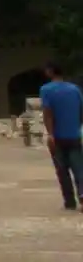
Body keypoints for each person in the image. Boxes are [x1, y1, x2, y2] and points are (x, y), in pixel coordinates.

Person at [40, 60, 83, 210]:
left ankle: (69, 201)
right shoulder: (75, 89)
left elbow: (48, 113)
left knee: (62, 170)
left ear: (50, 71)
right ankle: (82, 194)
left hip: (58, 136)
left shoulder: (46, 89)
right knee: (79, 168)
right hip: (74, 134)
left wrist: (50, 134)